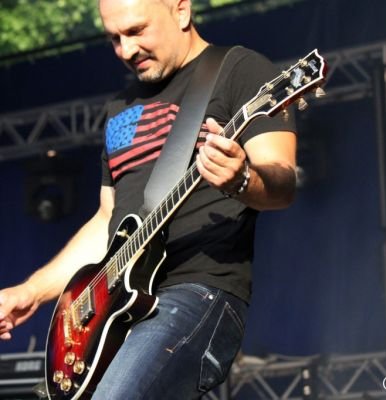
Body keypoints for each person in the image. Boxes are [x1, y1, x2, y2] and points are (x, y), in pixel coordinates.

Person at [0, 0, 297, 398]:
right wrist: (30, 291)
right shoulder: (119, 108)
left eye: (136, 31)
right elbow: (106, 220)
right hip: (118, 309)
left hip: (195, 290)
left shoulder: (240, 70)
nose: (126, 50)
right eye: (114, 38)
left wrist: (242, 178)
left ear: (181, 10)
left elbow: (282, 181)